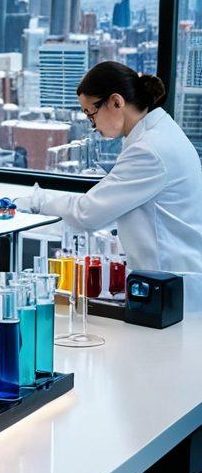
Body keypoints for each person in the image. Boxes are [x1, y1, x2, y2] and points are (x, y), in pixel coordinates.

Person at [14, 61, 202, 312]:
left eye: (90, 113)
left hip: (170, 285)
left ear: (116, 102)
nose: (92, 124)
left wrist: (35, 201)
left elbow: (87, 213)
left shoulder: (149, 149)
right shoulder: (159, 134)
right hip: (170, 281)